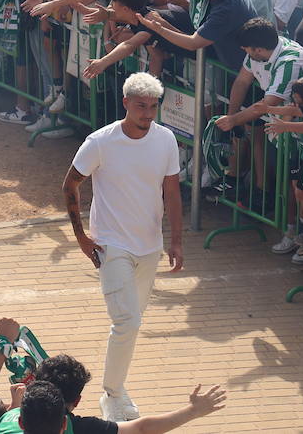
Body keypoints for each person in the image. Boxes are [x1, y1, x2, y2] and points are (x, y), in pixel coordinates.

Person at [63, 73, 183, 422]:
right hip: (110, 245)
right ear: (126, 103)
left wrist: (175, 240)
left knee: (132, 321)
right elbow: (70, 185)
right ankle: (113, 394)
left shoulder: (166, 140)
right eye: (141, 106)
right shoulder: (100, 142)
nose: (148, 113)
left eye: (153, 106)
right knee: (127, 321)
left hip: (150, 246)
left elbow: (172, 192)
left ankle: (116, 389)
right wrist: (81, 237)